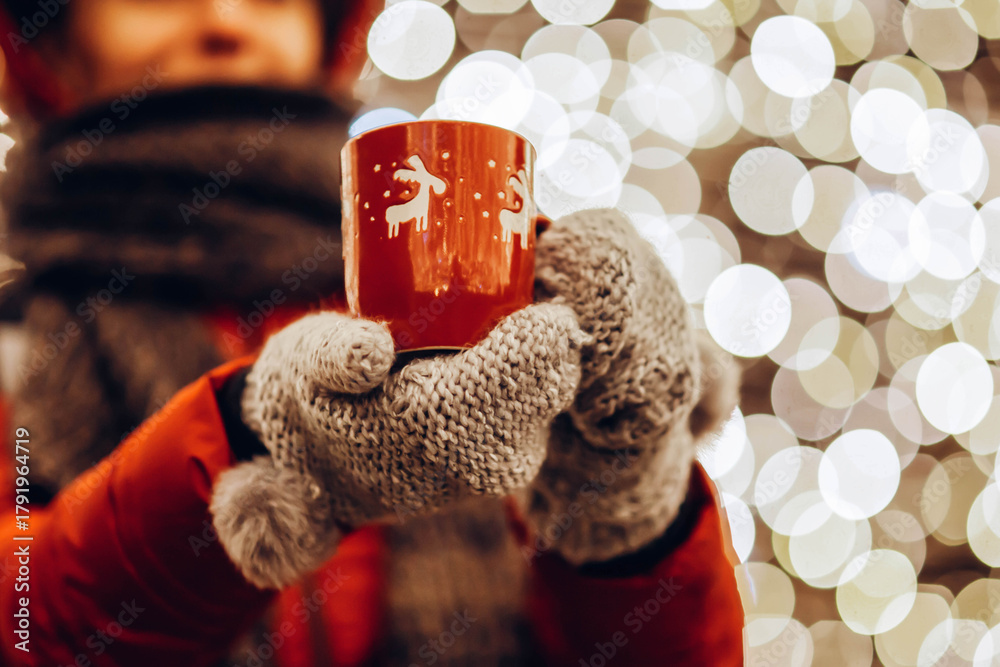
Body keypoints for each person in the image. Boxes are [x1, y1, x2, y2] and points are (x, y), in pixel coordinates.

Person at [0, 0, 746, 664]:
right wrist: (250, 441)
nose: (226, 18)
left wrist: (630, 522)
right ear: (53, 40)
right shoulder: (18, 348)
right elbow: (23, 619)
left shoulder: (452, 303)